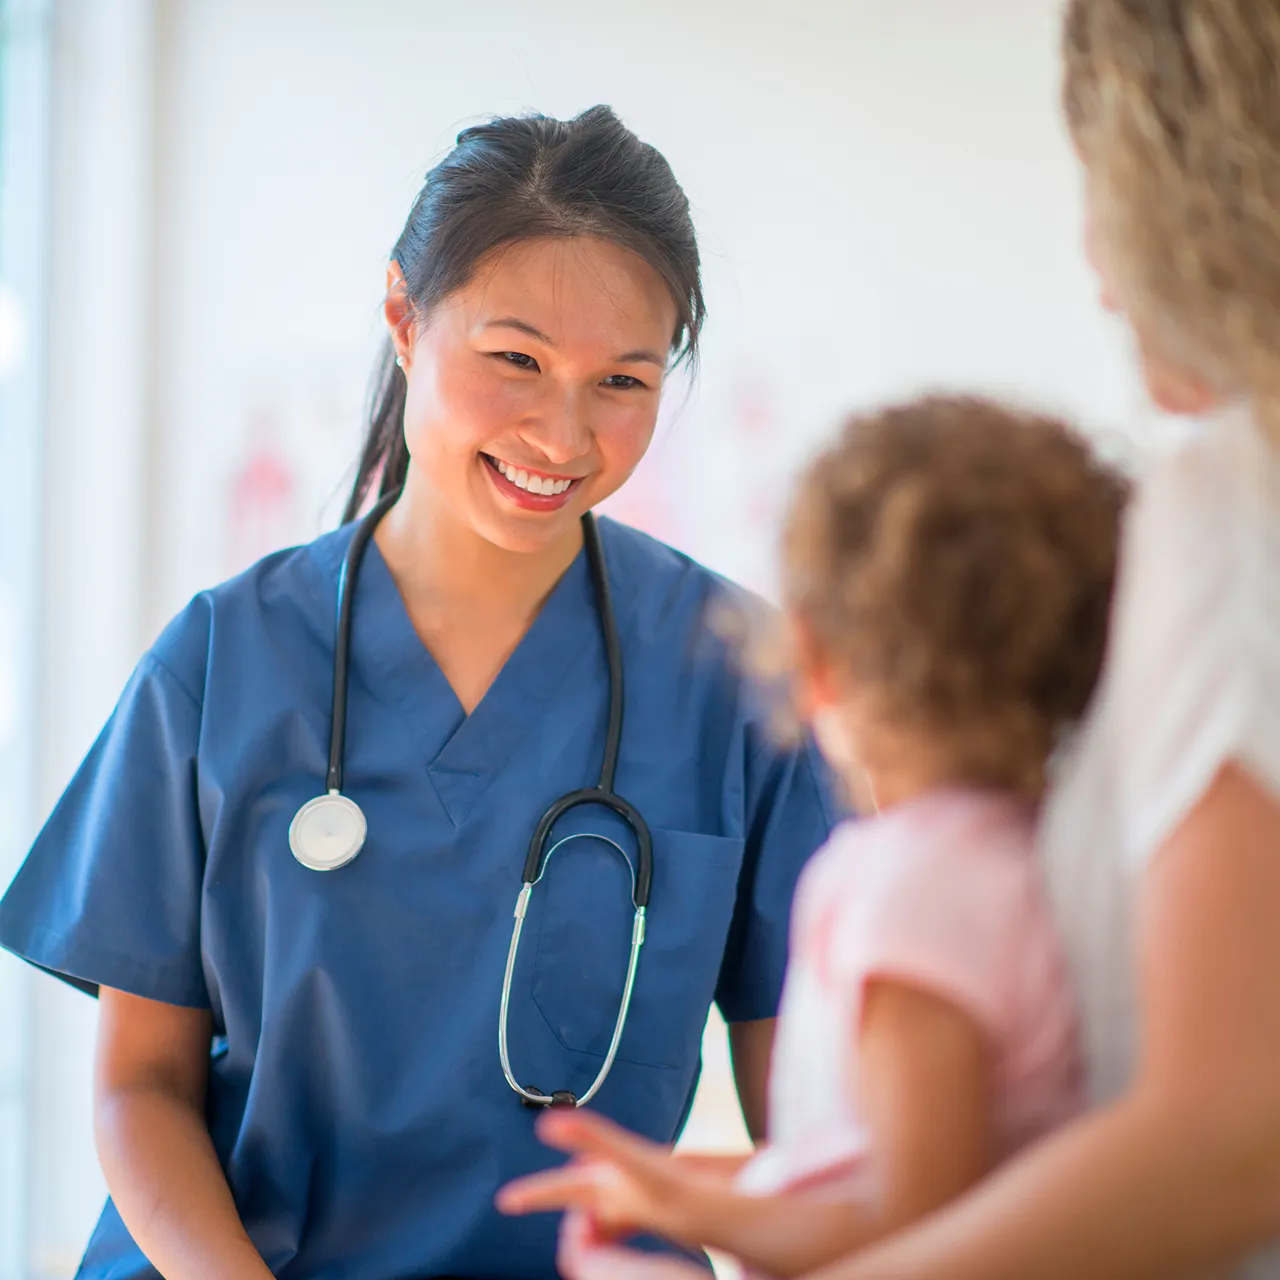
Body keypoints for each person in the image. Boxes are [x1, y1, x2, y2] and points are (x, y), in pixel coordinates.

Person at [0, 106, 836, 1280]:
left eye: (622, 380)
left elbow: (809, 1125)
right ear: (402, 316)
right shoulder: (222, 659)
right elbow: (140, 1085)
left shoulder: (736, 678)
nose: (563, 429)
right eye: (515, 360)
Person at [545, 4, 1280, 1279]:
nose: (1103, 278)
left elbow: (1199, 1139)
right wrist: (721, 1190)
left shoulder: (1226, 507)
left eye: (627, 374)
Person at [497, 396, 1128, 1276]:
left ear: (815, 661)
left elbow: (914, 1229)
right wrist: (688, 1194)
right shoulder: (1052, 857)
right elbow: (889, 1170)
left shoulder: (909, 891)